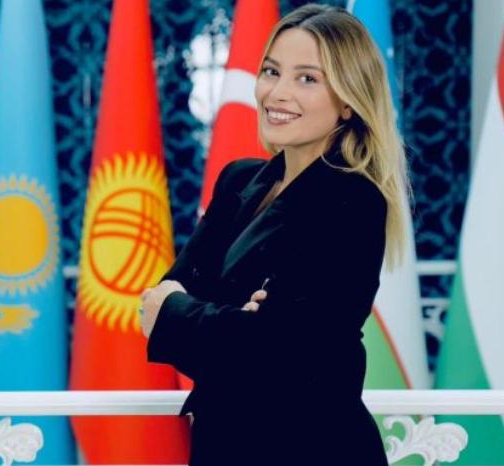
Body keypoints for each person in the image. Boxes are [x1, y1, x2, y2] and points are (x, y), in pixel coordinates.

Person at [140, 3, 409, 465]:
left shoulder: (353, 201)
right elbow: (159, 299)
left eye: (307, 78)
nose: (278, 93)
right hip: (225, 445)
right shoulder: (239, 181)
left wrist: (191, 315)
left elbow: (276, 355)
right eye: (271, 71)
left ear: (349, 101)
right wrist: (236, 321)